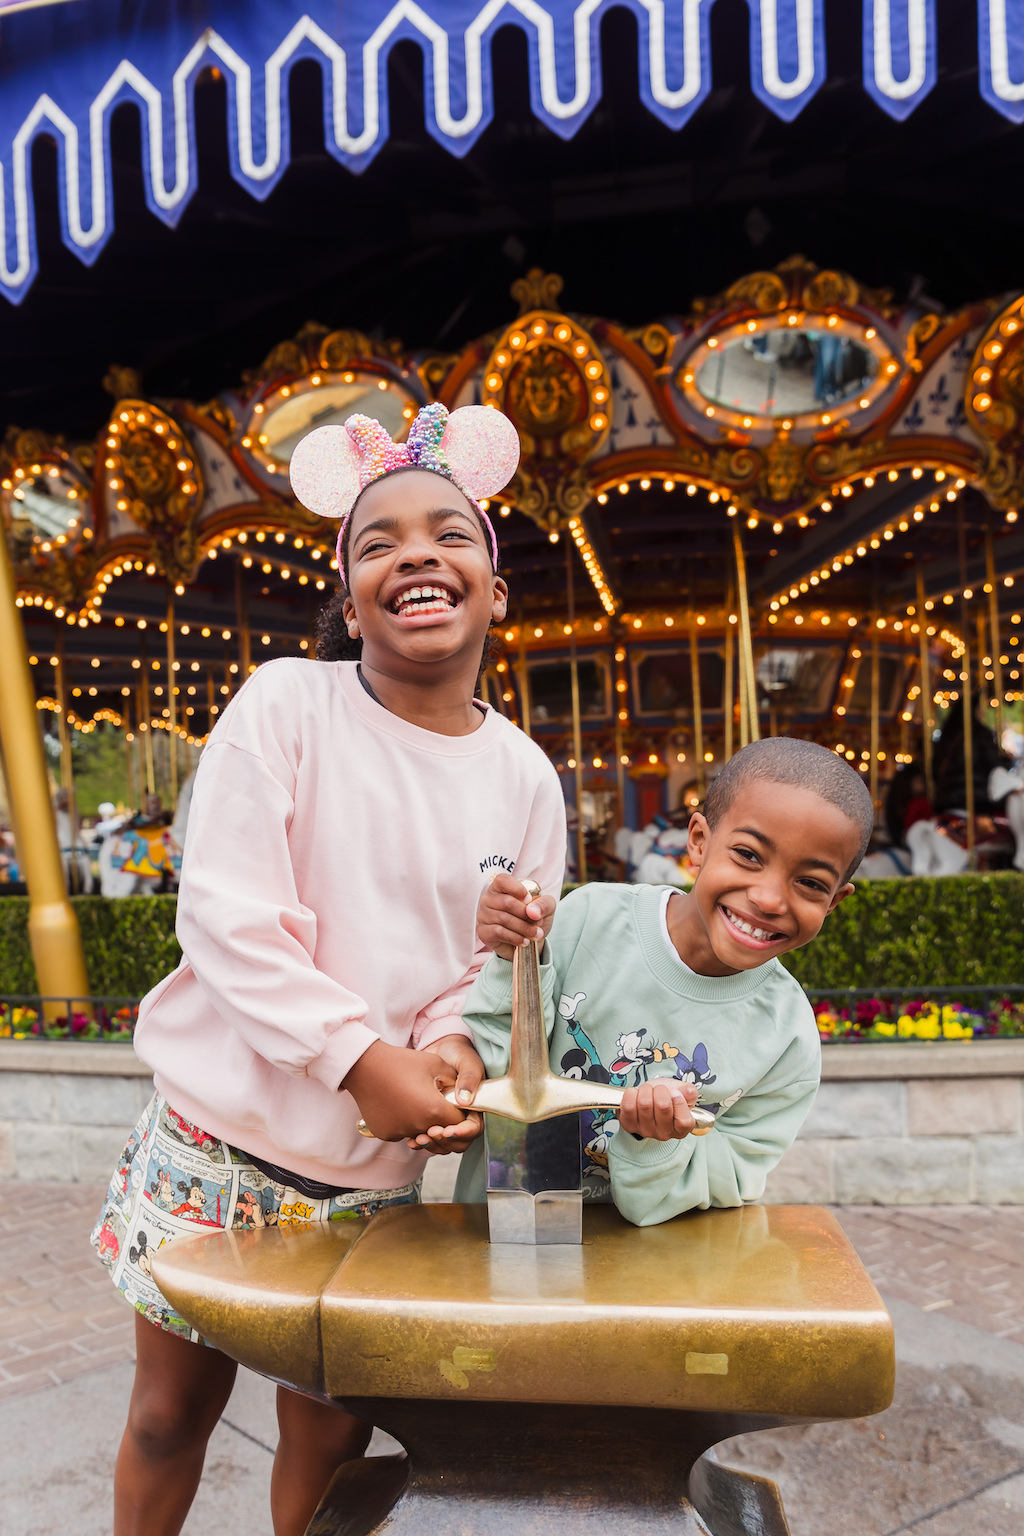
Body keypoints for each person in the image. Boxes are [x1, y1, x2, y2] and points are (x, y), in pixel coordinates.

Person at [91, 402, 567, 1536]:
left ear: (495, 590)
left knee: (331, 1431)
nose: (415, 552)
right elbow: (227, 917)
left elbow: (494, 966)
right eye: (377, 541)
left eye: (450, 534)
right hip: (216, 1138)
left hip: (369, 1176)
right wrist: (358, 1058)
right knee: (169, 1413)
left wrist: (451, 1046)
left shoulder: (525, 779)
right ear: (350, 596)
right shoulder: (286, 707)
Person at [439, 738, 873, 1225]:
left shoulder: (787, 1040)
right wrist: (515, 956)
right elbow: (497, 1063)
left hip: (648, 1275)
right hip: (499, 1237)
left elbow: (726, 1179)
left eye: (811, 883)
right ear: (699, 841)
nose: (770, 899)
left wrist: (651, 1143)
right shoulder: (589, 919)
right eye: (749, 855)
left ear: (834, 902)